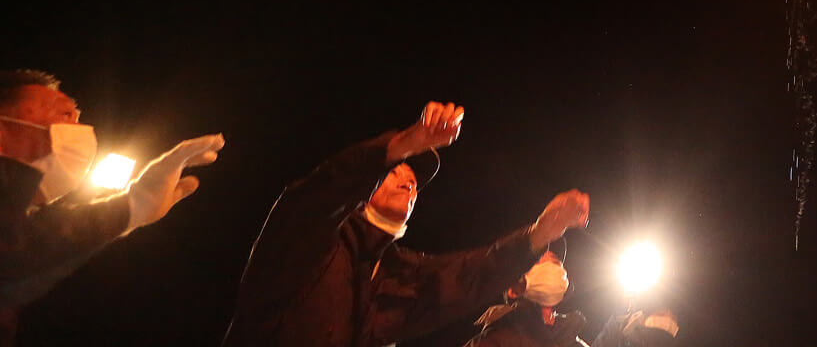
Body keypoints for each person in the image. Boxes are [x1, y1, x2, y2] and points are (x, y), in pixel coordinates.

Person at [223, 100, 591, 347]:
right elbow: (311, 199)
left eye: (415, 180)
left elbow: (465, 277)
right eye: (398, 172)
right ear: (366, 191)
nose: (410, 180)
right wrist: (398, 146)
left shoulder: (391, 273)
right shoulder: (315, 243)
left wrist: (540, 232)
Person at [1, 69, 223, 347]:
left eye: (78, 117)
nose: (79, 130)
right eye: (64, 115)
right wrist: (129, 208)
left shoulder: (24, 219)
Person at [464, 241, 587, 346]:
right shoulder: (503, 332)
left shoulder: (569, 336)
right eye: (538, 264)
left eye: (555, 264)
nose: (549, 272)